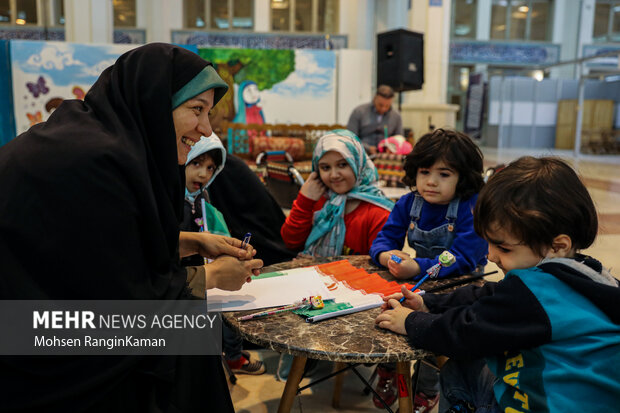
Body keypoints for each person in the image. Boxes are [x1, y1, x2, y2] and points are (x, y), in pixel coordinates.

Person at [0, 43, 263, 412]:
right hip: (28, 338)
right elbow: (112, 290)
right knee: (187, 339)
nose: (205, 129)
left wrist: (188, 241)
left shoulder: (97, 139)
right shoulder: (97, 162)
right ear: (156, 103)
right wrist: (212, 277)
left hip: (31, 316)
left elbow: (96, 247)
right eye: (196, 110)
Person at [375, 156, 620, 413]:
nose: (491, 256)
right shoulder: (590, 273)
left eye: (503, 247)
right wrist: (428, 303)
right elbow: (489, 295)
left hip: (544, 404)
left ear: (557, 246)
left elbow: (464, 333)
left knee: (459, 369)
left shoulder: (536, 294)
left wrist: (410, 321)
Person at [368, 128, 488, 410]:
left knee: (435, 339)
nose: (431, 182)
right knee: (386, 314)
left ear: (463, 177)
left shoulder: (471, 206)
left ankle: (427, 387)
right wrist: (387, 256)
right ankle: (388, 370)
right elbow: (384, 239)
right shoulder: (409, 202)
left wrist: (416, 266)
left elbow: (464, 257)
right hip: (418, 283)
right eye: (424, 172)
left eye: (444, 174)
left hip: (462, 290)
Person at [181, 134, 265, 375]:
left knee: (228, 313)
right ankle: (231, 358)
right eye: (196, 163)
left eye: (210, 168)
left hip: (205, 274)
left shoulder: (201, 197)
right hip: (186, 282)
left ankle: (232, 356)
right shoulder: (170, 200)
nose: (204, 174)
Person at [281, 129, 394, 257]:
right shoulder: (318, 199)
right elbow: (291, 242)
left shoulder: (378, 212)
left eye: (342, 165)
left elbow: (378, 266)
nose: (334, 175)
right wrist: (304, 201)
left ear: (358, 164)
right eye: (325, 168)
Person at [346, 85, 403, 154]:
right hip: (362, 152)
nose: (383, 109)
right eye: (380, 105)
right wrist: (367, 148)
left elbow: (399, 139)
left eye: (387, 106)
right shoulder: (359, 111)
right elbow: (350, 138)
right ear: (375, 98)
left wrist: (391, 148)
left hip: (386, 155)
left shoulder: (396, 116)